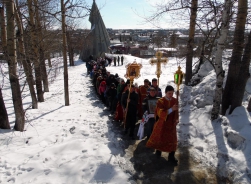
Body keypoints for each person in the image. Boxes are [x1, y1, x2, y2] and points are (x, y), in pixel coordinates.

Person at [146, 85, 179, 164]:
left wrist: (177, 119)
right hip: (162, 123)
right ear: (165, 93)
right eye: (169, 93)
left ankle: (171, 156)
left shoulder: (175, 100)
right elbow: (160, 112)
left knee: (172, 139)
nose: (171, 95)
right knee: (161, 138)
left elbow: (176, 111)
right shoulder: (160, 101)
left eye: (172, 93)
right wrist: (171, 109)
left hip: (171, 124)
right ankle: (158, 151)